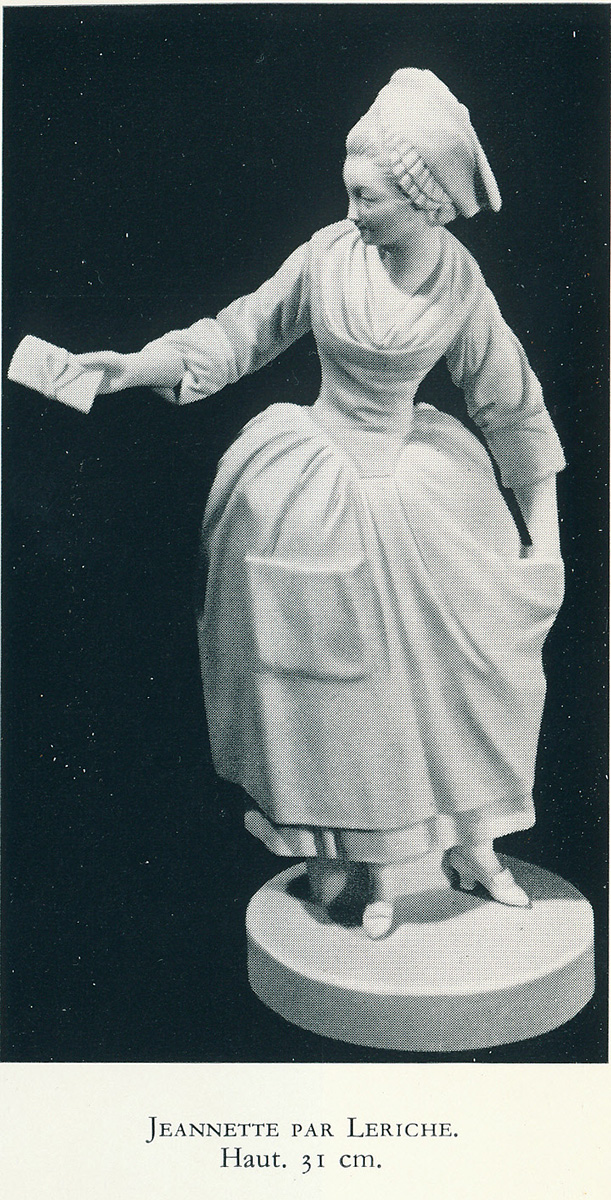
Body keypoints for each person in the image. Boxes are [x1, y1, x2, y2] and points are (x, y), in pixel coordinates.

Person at [77, 70, 566, 937]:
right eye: (348, 192)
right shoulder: (326, 257)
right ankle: (372, 865)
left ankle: (472, 844)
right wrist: (130, 367)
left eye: (367, 198)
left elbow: (512, 408)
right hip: (317, 483)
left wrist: (544, 540)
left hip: (422, 491)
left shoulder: (458, 283)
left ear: (421, 200)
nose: (351, 212)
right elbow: (236, 336)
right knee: (346, 696)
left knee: (469, 675)